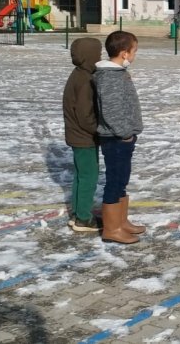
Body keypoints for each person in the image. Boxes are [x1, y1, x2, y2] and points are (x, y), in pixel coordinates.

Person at [95, 31, 145, 244]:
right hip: (115, 138)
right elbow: (112, 111)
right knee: (114, 182)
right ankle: (111, 229)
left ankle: (121, 221)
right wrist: (124, 133)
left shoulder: (118, 73)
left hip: (123, 136)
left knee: (122, 179)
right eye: (134, 51)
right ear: (124, 53)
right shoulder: (110, 77)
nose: (134, 55)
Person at [62, 38, 103, 232]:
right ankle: (84, 218)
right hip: (84, 137)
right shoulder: (85, 80)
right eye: (98, 54)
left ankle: (78, 213)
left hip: (77, 135)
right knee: (89, 176)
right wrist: (99, 130)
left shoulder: (79, 74)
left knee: (80, 175)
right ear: (89, 56)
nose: (99, 58)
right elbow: (85, 115)